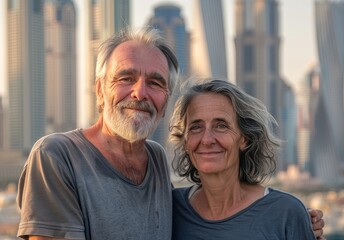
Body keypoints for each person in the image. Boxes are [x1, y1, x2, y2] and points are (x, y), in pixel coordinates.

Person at [16, 27, 324, 240]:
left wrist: (294, 220)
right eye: (126, 77)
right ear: (99, 90)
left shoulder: (156, 160)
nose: (140, 92)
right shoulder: (56, 155)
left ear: (165, 100)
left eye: (155, 82)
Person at [169, 78, 324, 239]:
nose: (207, 140)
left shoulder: (286, 213)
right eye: (196, 127)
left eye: (221, 126)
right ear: (185, 140)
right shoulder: (170, 207)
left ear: (245, 139)